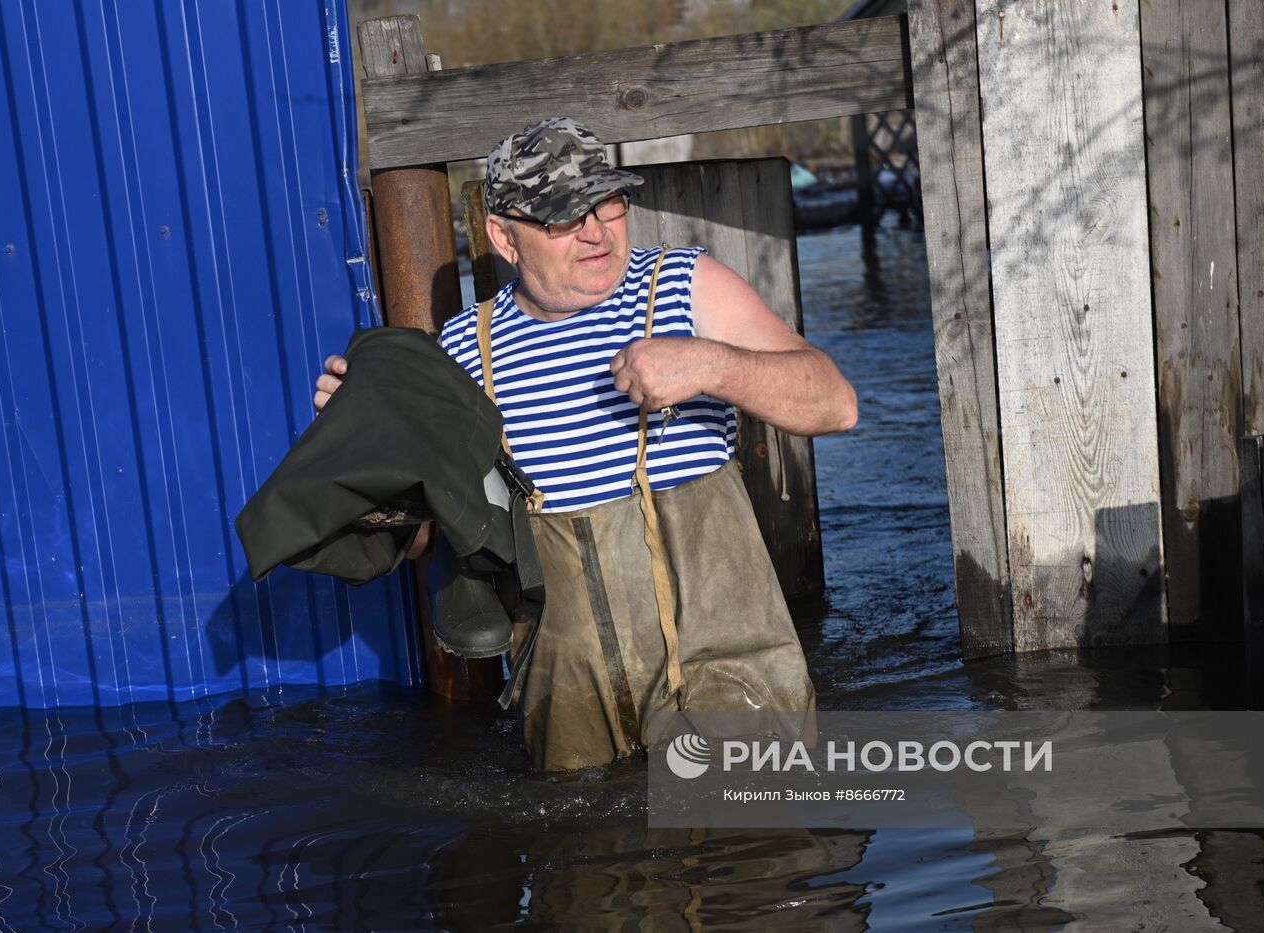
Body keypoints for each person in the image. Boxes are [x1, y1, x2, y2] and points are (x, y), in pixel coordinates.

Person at [314, 117, 857, 771]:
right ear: (502, 236)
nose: (597, 229)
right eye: (562, 215)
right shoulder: (460, 356)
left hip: (735, 696)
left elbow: (835, 403)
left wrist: (715, 366)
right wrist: (366, 446)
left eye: (607, 201)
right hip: (573, 719)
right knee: (589, 861)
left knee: (757, 868)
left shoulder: (686, 286)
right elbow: (424, 542)